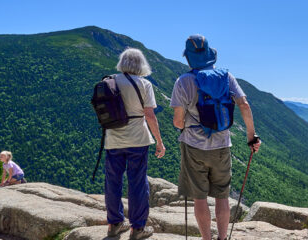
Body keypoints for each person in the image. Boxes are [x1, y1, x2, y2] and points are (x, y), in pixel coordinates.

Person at [171, 35, 261, 240]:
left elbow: (177, 122)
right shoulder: (226, 77)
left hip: (193, 146)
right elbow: (244, 105)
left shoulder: (183, 82)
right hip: (221, 145)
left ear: (189, 59)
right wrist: (251, 136)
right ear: (210, 55)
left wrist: (186, 125)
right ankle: (222, 238)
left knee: (199, 198)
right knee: (222, 196)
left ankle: (206, 239)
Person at [103, 48, 166, 239]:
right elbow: (150, 116)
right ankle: (137, 228)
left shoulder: (109, 81)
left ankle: (114, 224)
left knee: (112, 181)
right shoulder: (144, 84)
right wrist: (159, 142)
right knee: (137, 182)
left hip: (113, 138)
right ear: (141, 64)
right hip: (138, 139)